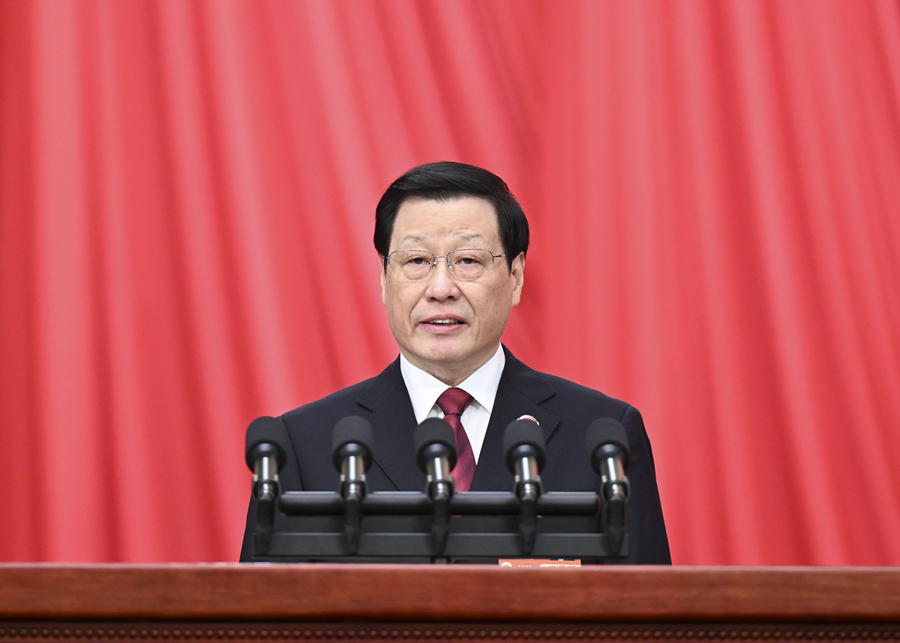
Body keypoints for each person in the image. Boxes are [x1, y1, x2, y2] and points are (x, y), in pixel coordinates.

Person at [240, 161, 670, 563]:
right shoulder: (305, 445)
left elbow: (650, 611)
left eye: (468, 260)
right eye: (416, 261)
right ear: (384, 278)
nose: (441, 288)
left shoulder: (602, 438)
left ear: (516, 276)